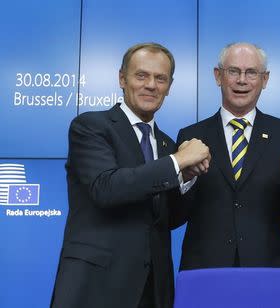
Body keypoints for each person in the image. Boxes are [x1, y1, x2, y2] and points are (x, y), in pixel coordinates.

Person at [51, 42, 210, 308]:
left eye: (160, 78)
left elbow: (166, 219)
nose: (151, 85)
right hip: (94, 286)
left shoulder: (166, 145)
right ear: (122, 79)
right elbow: (106, 188)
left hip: (152, 289)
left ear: (169, 86)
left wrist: (187, 176)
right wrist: (178, 161)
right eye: (141, 75)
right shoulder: (90, 126)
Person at [172, 42, 280, 270]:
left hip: (270, 267)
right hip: (207, 269)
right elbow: (175, 214)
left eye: (251, 72)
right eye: (233, 71)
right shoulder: (191, 136)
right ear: (218, 76)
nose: (241, 80)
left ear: (265, 80)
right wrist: (184, 177)